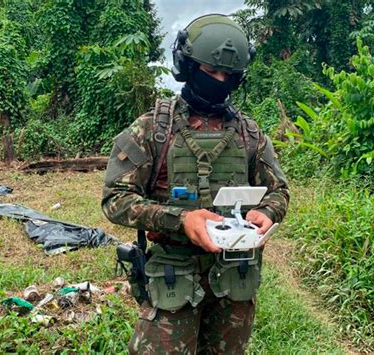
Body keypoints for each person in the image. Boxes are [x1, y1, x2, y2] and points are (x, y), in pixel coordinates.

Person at [102, 13, 290, 354]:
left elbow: (279, 190)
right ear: (188, 67)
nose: (220, 80)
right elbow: (115, 198)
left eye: (228, 75)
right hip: (173, 273)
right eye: (210, 72)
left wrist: (267, 213)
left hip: (235, 277)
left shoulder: (249, 133)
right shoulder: (152, 129)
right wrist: (180, 219)